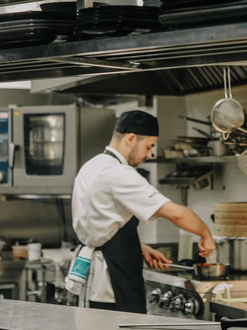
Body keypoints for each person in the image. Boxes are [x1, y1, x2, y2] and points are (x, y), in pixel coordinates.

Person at [68, 110, 216, 313]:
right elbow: (176, 213)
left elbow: (101, 228)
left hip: (96, 278)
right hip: (112, 283)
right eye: (149, 146)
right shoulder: (119, 174)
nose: (149, 155)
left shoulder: (92, 166)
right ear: (131, 139)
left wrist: (141, 248)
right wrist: (205, 234)